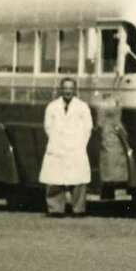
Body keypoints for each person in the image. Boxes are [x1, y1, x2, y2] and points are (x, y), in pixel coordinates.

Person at [41, 78, 95, 217]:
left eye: (71, 88)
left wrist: (79, 144)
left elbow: (88, 127)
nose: (68, 91)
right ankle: (55, 210)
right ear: (61, 89)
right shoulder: (52, 106)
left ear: (75, 89)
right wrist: (57, 140)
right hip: (57, 146)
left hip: (76, 147)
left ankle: (78, 210)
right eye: (65, 88)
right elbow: (48, 126)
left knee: (78, 181)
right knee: (55, 180)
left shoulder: (82, 107)